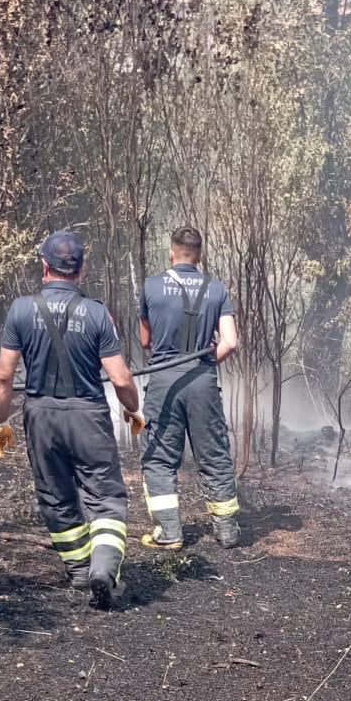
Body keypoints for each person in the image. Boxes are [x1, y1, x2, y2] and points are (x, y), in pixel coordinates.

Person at [0, 230, 143, 610]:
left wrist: (0, 422)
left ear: (44, 266)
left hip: (41, 417)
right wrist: (133, 410)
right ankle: (103, 570)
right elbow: (121, 378)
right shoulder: (96, 313)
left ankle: (78, 570)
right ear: (81, 270)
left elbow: (4, 377)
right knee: (106, 497)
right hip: (88, 416)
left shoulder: (21, 310)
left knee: (56, 497)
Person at [138, 225, 239, 551]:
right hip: (203, 381)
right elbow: (230, 342)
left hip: (164, 381)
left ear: (172, 253)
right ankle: (226, 532)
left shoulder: (151, 287)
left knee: (160, 458)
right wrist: (207, 363)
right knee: (214, 454)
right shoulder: (217, 289)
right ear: (200, 256)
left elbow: (145, 341)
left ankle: (170, 533)